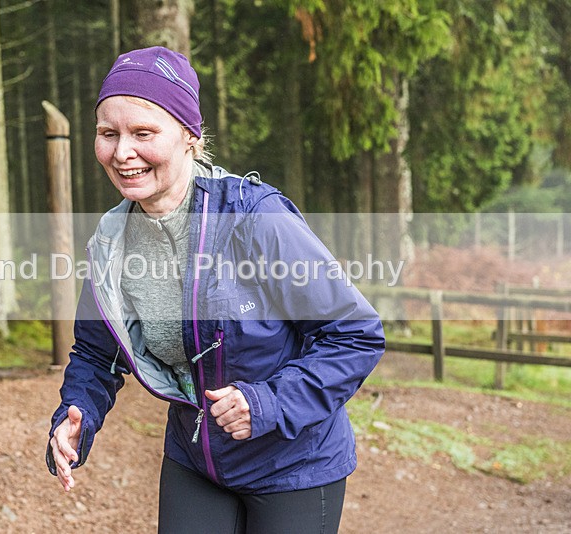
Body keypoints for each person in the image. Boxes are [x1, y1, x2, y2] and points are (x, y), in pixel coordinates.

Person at [46, 45, 385, 534]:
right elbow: (96, 353)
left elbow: (356, 335)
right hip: (196, 459)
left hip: (293, 464)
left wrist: (268, 404)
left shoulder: (254, 218)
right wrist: (78, 411)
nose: (122, 152)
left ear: (189, 136)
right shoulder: (111, 240)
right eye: (108, 134)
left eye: (143, 133)